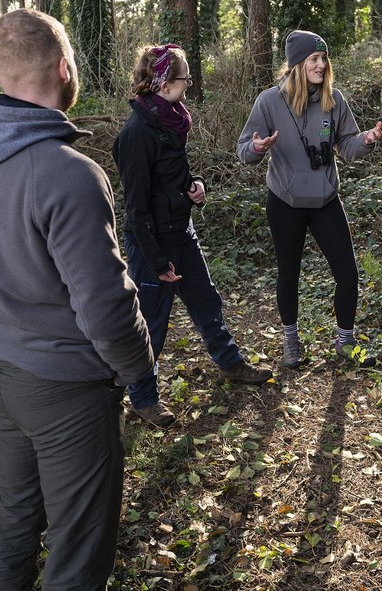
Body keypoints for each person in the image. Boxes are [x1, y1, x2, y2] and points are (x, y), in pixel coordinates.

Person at [0, 8, 154, 590]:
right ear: (64, 69)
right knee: (78, 552)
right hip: (67, 386)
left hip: (1, 370)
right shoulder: (70, 174)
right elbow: (107, 305)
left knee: (14, 518)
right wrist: (139, 370)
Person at [113, 44, 272, 428]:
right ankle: (140, 398)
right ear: (166, 83)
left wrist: (195, 185)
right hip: (153, 243)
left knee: (206, 303)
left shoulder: (171, 119)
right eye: (186, 79)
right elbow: (135, 208)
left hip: (181, 232)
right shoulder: (137, 132)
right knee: (151, 324)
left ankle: (231, 365)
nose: (189, 85)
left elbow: (175, 176)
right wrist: (156, 260)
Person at [237, 30, 382, 367]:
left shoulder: (334, 100)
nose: (321, 65)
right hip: (285, 201)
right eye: (314, 60)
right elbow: (243, 149)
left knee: (348, 274)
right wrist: (257, 148)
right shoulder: (269, 102)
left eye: (324, 59)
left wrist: (367, 139)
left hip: (325, 200)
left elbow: (347, 146)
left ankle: (345, 341)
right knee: (289, 273)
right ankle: (291, 341)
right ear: (296, 65)